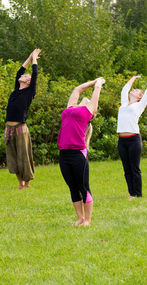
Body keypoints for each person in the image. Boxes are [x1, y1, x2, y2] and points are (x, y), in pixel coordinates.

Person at [58, 77, 105, 226]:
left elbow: (96, 92)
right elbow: (77, 89)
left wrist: (98, 85)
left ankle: (88, 220)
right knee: (73, 188)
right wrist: (93, 81)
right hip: (64, 153)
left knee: (83, 187)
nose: (85, 98)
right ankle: (80, 218)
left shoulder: (88, 110)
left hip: (78, 153)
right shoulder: (70, 108)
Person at [117, 75, 147, 200]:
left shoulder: (139, 105)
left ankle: (137, 194)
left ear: (140, 97)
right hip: (121, 140)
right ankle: (131, 193)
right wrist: (133, 78)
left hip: (133, 140)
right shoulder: (124, 104)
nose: (133, 90)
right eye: (134, 89)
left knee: (134, 168)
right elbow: (124, 90)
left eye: (137, 90)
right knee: (127, 169)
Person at [4, 49, 41, 189]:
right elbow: (19, 71)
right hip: (9, 128)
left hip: (20, 127)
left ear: (28, 82)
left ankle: (27, 184)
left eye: (27, 76)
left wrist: (35, 59)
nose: (23, 75)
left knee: (24, 157)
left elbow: (35, 75)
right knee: (13, 158)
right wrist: (30, 57)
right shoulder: (15, 91)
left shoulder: (29, 92)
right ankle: (20, 185)